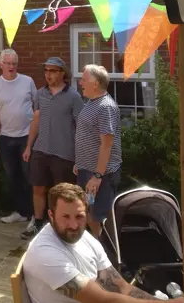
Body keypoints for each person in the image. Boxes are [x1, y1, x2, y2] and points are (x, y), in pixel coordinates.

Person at [23, 182, 179, 303]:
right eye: (65, 217)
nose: (74, 225)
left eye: (79, 216)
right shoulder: (45, 254)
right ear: (51, 215)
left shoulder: (84, 237)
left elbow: (119, 286)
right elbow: (102, 300)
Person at [22, 57, 84, 239]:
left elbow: (80, 127)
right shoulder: (40, 94)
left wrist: (80, 155)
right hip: (41, 149)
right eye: (46, 71)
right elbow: (36, 120)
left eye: (52, 71)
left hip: (64, 152)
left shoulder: (73, 96)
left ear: (62, 73)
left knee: (63, 193)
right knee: (38, 188)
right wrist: (29, 146)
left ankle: (60, 226)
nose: (48, 75)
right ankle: (37, 222)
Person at [0, 49, 36, 224]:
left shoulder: (28, 81)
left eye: (14, 63)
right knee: (12, 177)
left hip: (26, 137)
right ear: (1, 64)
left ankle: (34, 215)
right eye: (8, 63)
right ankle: (21, 212)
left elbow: (37, 108)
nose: (11, 67)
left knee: (29, 176)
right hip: (6, 138)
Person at [75, 64, 121, 237]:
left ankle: (106, 250)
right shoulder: (92, 102)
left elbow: (106, 144)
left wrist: (97, 176)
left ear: (95, 84)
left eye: (84, 80)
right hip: (87, 171)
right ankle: (97, 245)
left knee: (100, 217)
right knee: (88, 211)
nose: (80, 83)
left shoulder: (105, 107)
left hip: (101, 176)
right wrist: (80, 163)